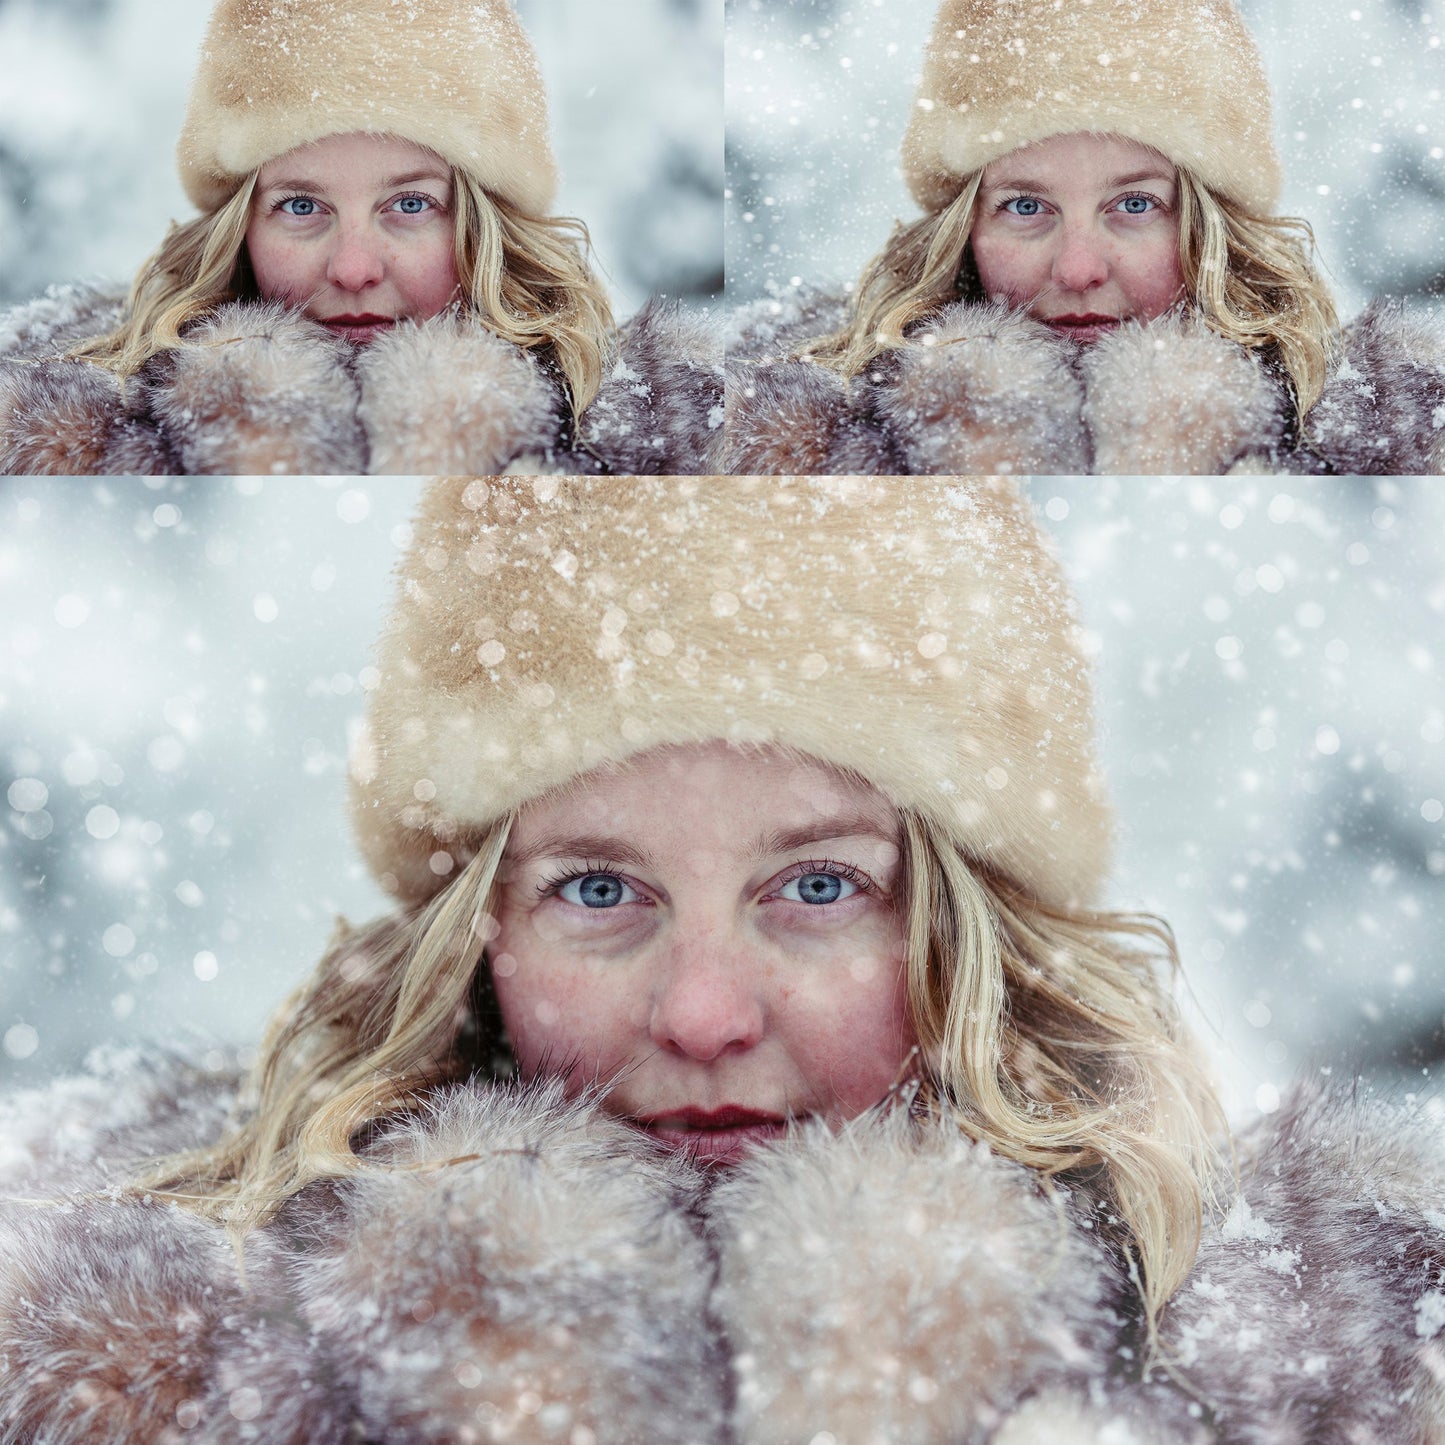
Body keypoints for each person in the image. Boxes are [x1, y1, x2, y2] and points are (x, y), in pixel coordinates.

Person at [2, 477, 1441, 1443]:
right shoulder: (156, 1352)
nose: (702, 1013)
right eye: (597, 888)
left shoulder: (1327, 1353)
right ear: (476, 932)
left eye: (818, 885)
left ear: (967, 922)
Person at [0, 0, 720, 477]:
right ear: (238, 227)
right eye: (301, 206)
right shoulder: (60, 431)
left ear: (485, 224)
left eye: (409, 203)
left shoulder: (663, 430)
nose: (351, 268)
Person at [726, 0, 1445, 476]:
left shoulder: (1388, 435)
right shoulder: (793, 433)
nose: (1076, 268)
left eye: (1133, 203)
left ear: (1211, 226)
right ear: (962, 228)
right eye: (1024, 207)